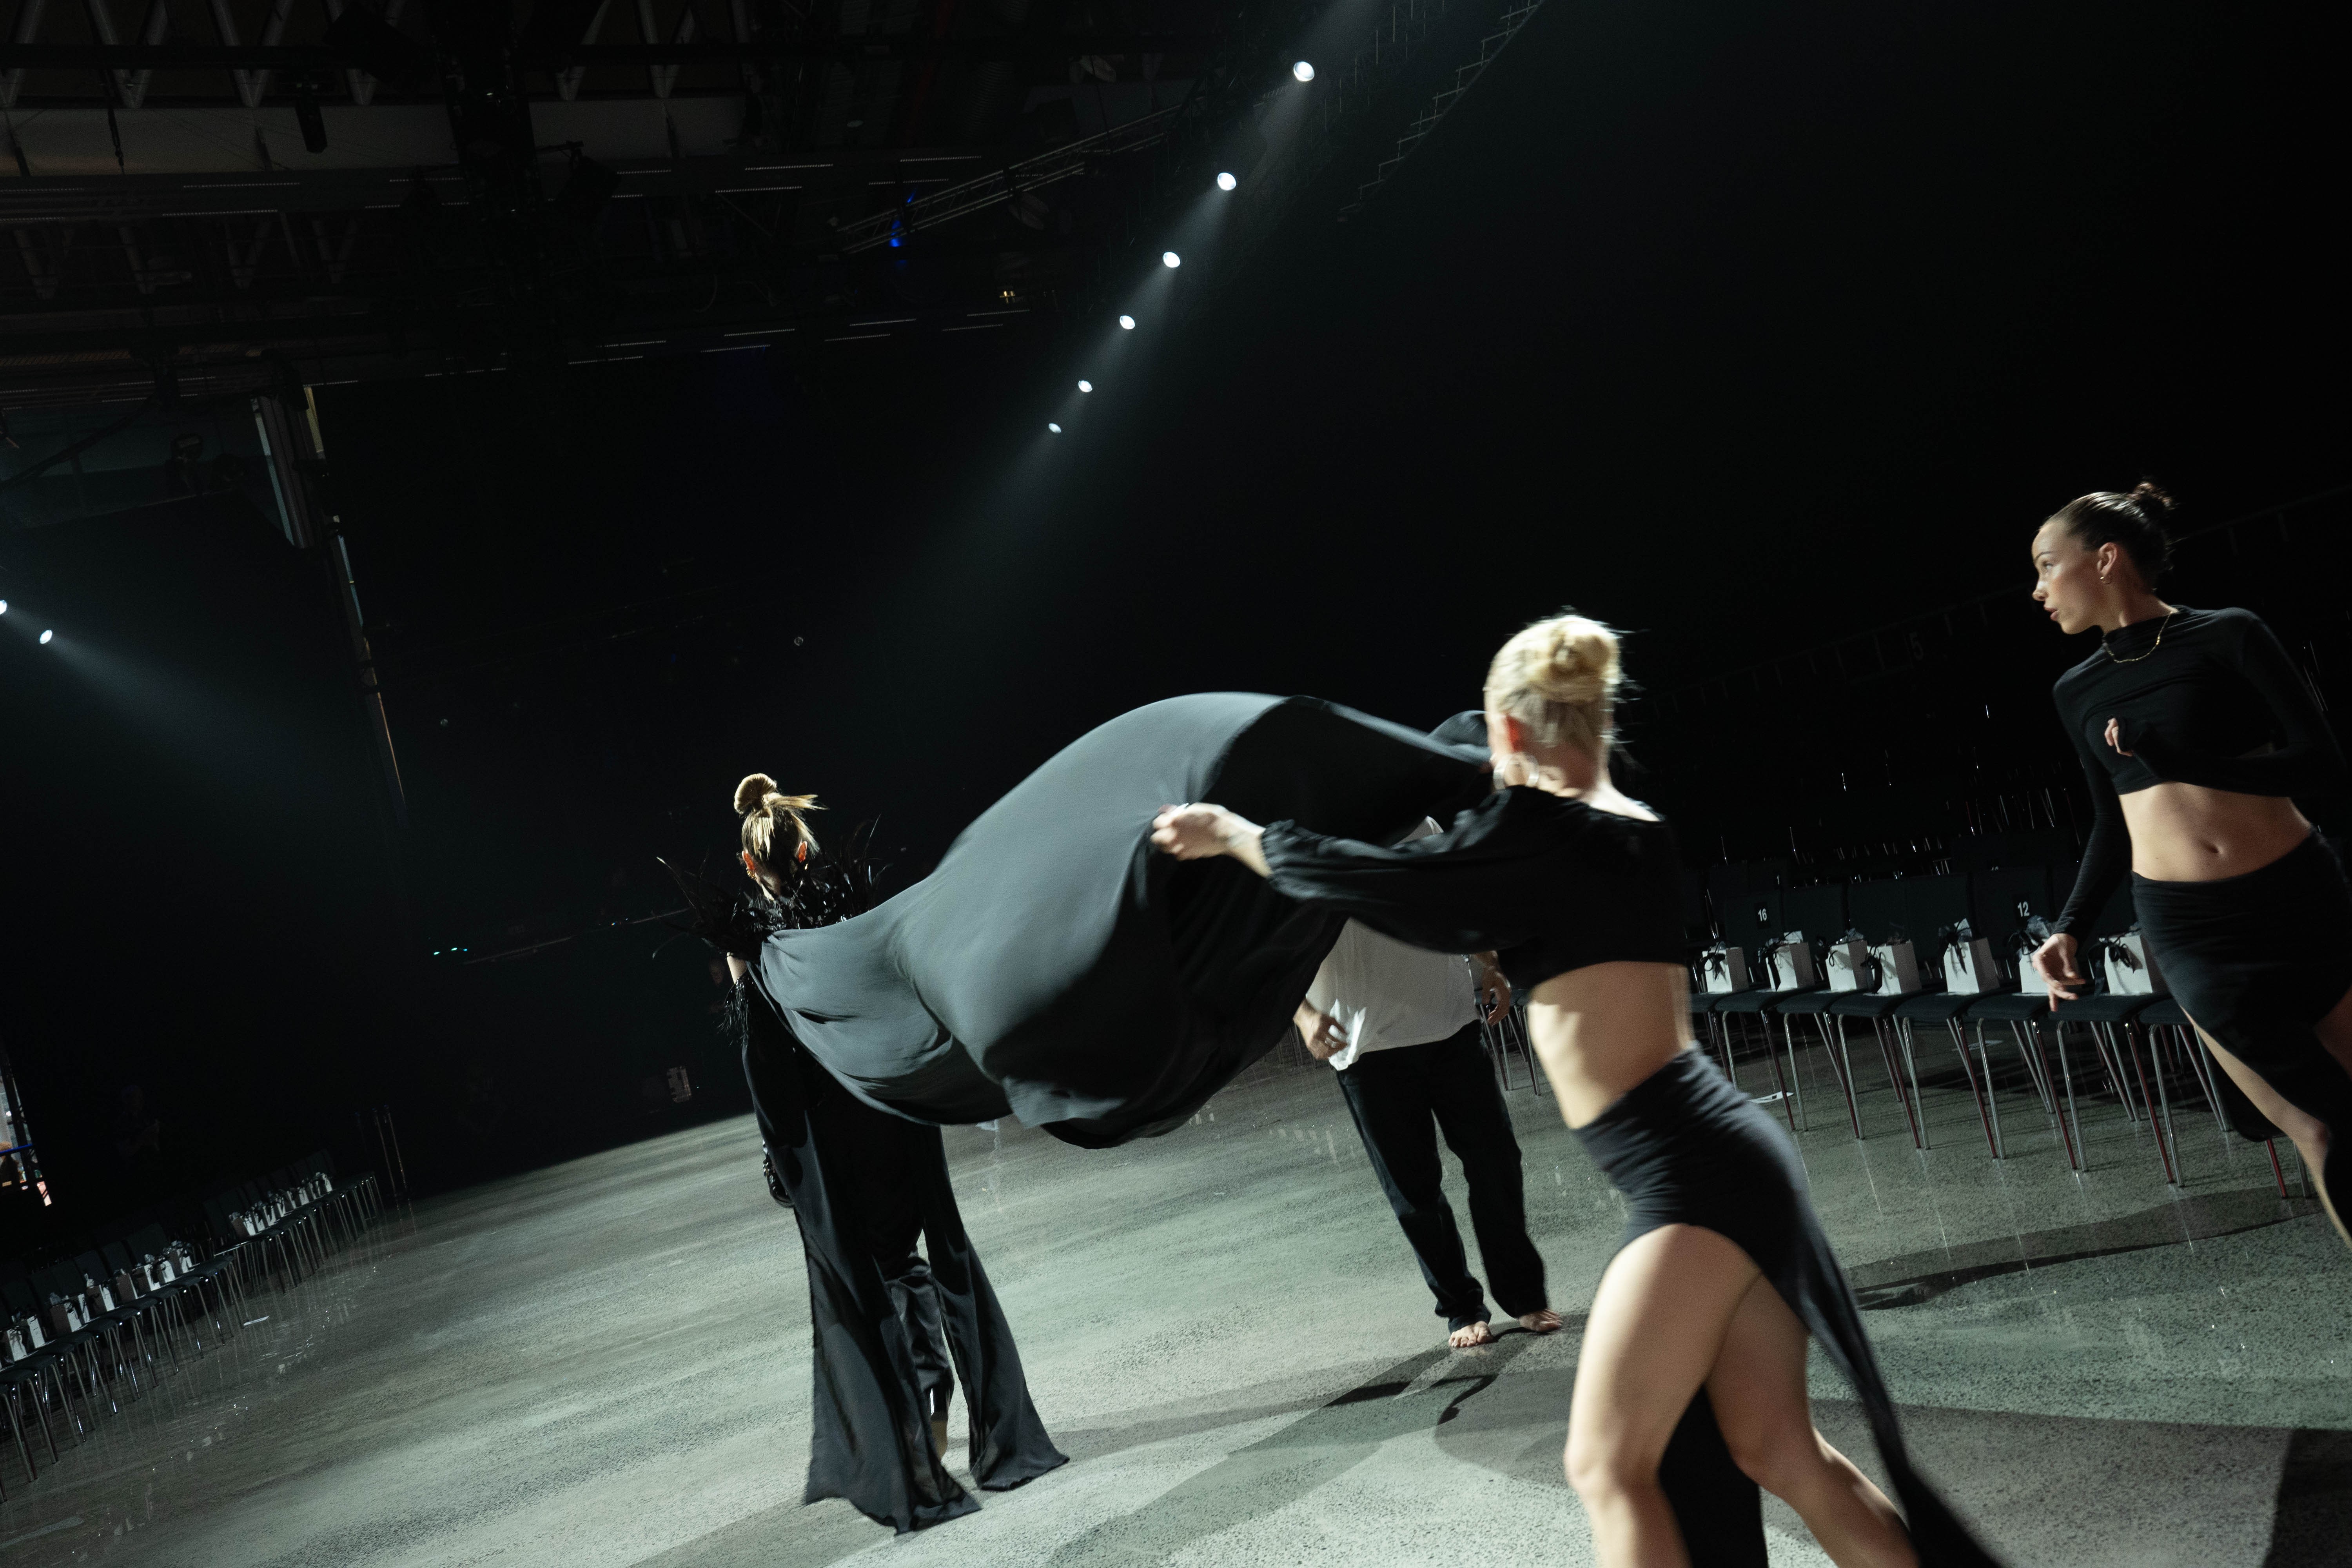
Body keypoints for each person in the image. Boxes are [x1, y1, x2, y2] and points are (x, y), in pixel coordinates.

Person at [1151, 614, 1998, 1568]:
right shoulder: (1630, 826)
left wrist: (1235, 833)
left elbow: (1381, 880)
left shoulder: (1537, 834)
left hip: (1691, 1181)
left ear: (1508, 732)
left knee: (1607, 1465)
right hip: (1732, 1154)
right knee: (1778, 1448)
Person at [711, 777, 1065, 1532]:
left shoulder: (746, 934)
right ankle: (945, 1407)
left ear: (749, 865)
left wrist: (779, 1153)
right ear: (805, 847)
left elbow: (759, 1053)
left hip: (824, 1127)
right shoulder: (848, 900)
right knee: (917, 1257)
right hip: (881, 1106)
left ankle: (914, 1424)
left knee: (870, 1274)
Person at [2027, 484, 2352, 1244]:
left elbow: (2322, 768)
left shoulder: (2229, 635)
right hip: (2191, 928)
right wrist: (2072, 925)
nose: (2038, 590)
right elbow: (2111, 820)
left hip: (2299, 896)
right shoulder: (2074, 690)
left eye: (2048, 566)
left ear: (2105, 560)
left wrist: (2188, 762)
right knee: (2318, 1125)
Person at [1297, 811, 1560, 1348]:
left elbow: (1457, 905)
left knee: (1497, 1162)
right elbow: (1276, 950)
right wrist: (1303, 1016)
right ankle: (1461, 1307)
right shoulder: (1310, 837)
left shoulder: (1421, 825)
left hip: (1451, 1027)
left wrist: (1491, 965)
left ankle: (1525, 1295)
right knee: (1415, 1191)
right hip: (1367, 1048)